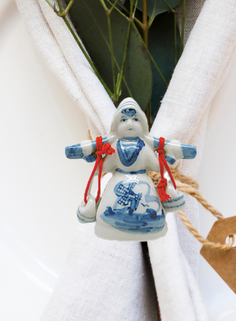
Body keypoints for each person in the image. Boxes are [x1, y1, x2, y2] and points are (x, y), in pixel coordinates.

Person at [65, 98, 197, 241]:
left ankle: (143, 221)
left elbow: (158, 168)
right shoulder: (114, 147)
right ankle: (112, 221)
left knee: (138, 203)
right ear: (116, 125)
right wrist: (91, 156)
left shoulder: (145, 147)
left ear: (142, 123)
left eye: (135, 119)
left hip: (143, 182)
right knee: (121, 204)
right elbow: (101, 169)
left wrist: (170, 157)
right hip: (117, 183)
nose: (129, 123)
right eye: (123, 120)